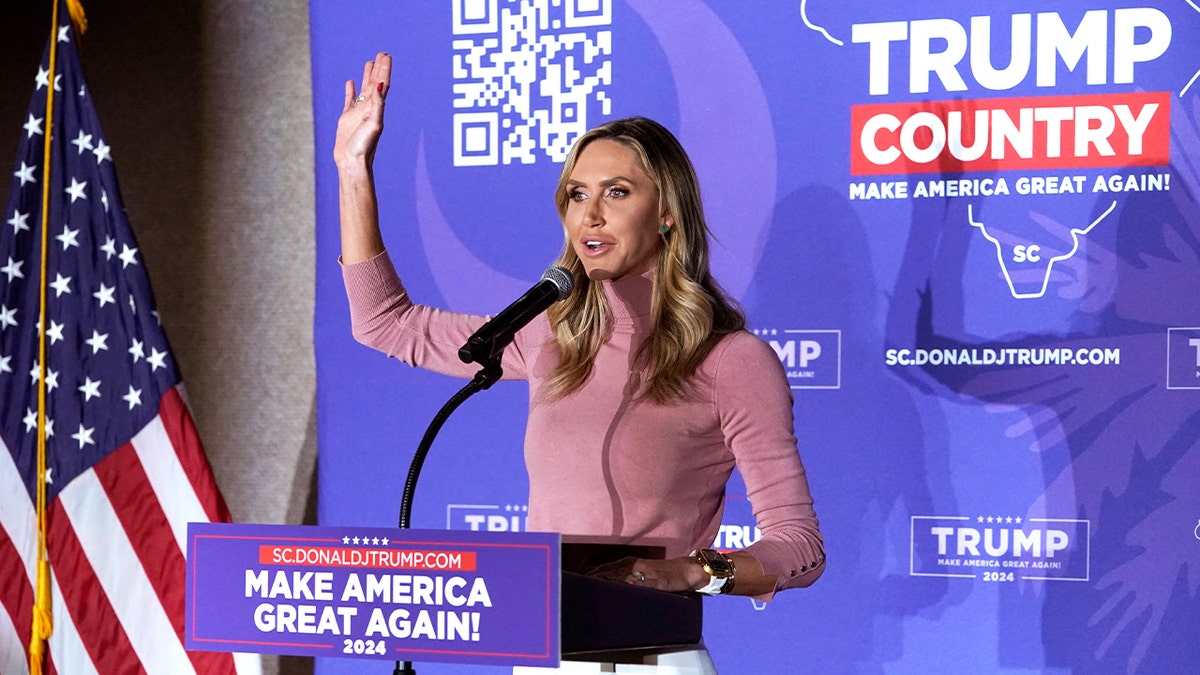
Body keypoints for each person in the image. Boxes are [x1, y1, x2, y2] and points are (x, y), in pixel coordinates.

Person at [335, 52, 825, 671]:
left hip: (654, 658)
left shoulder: (731, 361)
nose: (588, 215)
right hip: (544, 656)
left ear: (667, 212)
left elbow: (799, 547)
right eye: (575, 195)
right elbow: (385, 323)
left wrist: (688, 572)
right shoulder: (547, 335)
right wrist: (354, 170)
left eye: (616, 192)